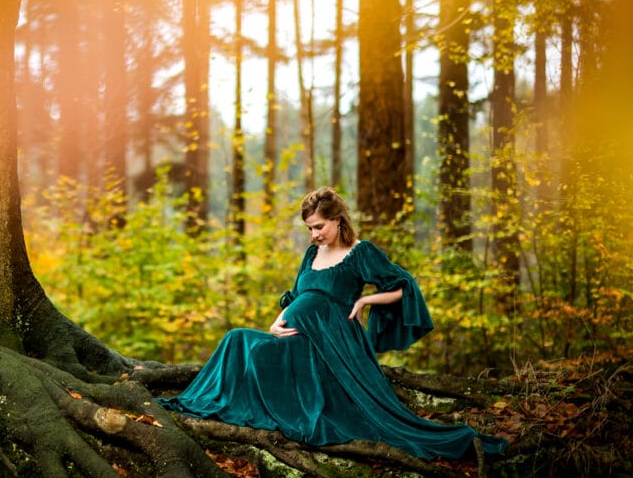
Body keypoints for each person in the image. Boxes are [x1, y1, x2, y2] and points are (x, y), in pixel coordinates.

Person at [159, 187, 508, 460]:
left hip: (331, 344)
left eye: (319, 227)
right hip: (296, 334)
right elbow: (296, 296)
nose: (313, 234)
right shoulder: (312, 254)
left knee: (266, 362)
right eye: (309, 228)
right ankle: (207, 401)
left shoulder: (360, 251)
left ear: (338, 220)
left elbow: (404, 287)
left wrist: (365, 300)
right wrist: (275, 324)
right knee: (237, 338)